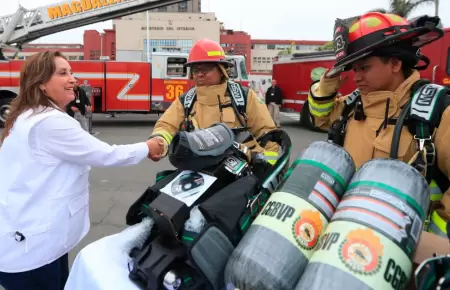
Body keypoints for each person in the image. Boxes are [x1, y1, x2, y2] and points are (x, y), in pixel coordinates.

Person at [0, 51, 164, 290]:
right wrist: (148, 147)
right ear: (41, 84)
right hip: (33, 248)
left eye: (72, 72)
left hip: (31, 238)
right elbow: (106, 155)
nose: (73, 79)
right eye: (62, 73)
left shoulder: (27, 115)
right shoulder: (50, 122)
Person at [307, 13, 450, 238]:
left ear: (394, 63)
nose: (356, 77)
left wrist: (430, 240)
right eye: (354, 69)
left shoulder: (437, 111)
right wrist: (329, 80)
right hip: (344, 231)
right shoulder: (354, 105)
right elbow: (320, 117)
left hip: (399, 245)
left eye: (364, 68)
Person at [148, 38, 280, 165]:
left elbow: (267, 133)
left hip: (240, 172)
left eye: (205, 69)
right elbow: (166, 126)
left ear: (222, 70)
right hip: (198, 169)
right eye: (195, 70)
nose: (199, 74)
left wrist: (267, 167)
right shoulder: (186, 101)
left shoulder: (244, 97)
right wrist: (159, 142)